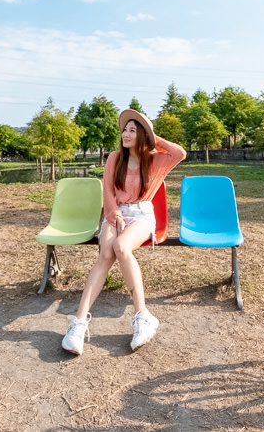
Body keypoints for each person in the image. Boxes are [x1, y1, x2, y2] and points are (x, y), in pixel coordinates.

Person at [61, 109, 186, 355]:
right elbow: (108, 193)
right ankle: (78, 323)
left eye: (132, 130)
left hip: (142, 215)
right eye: (124, 129)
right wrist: (116, 217)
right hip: (116, 214)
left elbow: (180, 153)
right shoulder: (114, 158)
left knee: (121, 247)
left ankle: (142, 316)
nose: (125, 134)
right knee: (106, 254)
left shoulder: (155, 160)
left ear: (142, 136)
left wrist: (152, 137)